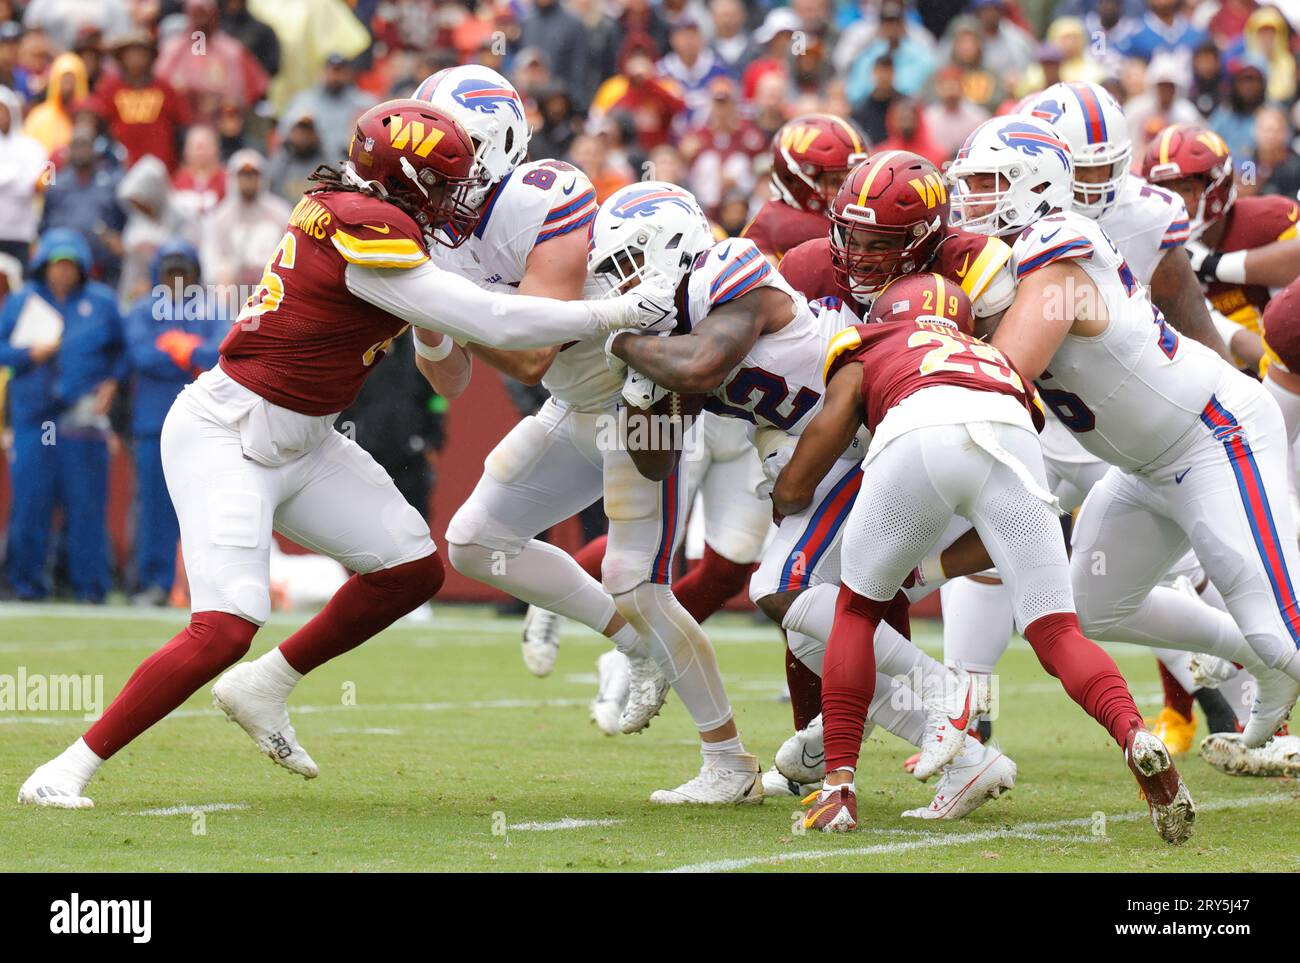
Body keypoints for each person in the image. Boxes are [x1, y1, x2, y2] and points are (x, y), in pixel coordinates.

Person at [18, 97, 676, 809]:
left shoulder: (358, 207)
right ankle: (68, 765)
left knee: (409, 568)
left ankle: (266, 684)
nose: (458, 194)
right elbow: (488, 318)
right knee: (224, 627)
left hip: (305, 435)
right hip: (230, 434)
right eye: (444, 179)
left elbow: (446, 340)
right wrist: (610, 312)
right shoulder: (370, 226)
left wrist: (441, 325)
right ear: (408, 180)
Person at [781, 272, 1191, 842]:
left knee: (854, 611)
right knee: (1057, 631)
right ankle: (1132, 733)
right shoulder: (994, 358)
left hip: (918, 431)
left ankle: (838, 791)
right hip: (1011, 433)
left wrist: (787, 494)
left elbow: (827, 431)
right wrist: (930, 570)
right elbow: (993, 493)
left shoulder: (868, 340)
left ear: (886, 313)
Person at [945, 114, 1300, 753]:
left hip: (1214, 436)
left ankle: (1270, 651)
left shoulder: (1057, 242)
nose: (971, 199)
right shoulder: (1008, 259)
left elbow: (1009, 371)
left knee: (1285, 629)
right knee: (1092, 606)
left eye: (988, 182)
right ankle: (1252, 656)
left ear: (1035, 186)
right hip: (1143, 468)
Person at [0, 228, 123, 603]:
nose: (63, 272)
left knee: (85, 504)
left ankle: (90, 589)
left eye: (70, 265)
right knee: (31, 503)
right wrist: (28, 355)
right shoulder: (23, 300)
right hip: (36, 418)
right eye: (57, 264)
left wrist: (112, 384)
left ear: (82, 267)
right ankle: (26, 586)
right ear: (44, 266)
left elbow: (123, 351)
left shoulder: (101, 302)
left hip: (81, 421)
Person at [123, 240, 226, 605]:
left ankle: (208, 587)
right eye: (171, 272)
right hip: (154, 422)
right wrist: (191, 355)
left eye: (184, 272)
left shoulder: (211, 308)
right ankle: (154, 583)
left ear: (195, 274)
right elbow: (141, 355)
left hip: (204, 425)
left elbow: (222, 352)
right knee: (153, 506)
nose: (178, 279)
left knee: (209, 507)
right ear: (159, 275)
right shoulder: (144, 309)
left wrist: (181, 346)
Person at [742, 113, 869, 265]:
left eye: (854, 179)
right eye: (835, 181)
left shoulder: (774, 215)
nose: (849, 191)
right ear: (796, 181)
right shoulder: (794, 228)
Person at [91, 30, 192, 172]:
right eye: (131, 54)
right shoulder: (109, 88)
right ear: (121, 58)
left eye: (141, 53)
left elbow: (182, 127)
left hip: (161, 168)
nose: (136, 58)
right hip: (120, 168)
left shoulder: (165, 88)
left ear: (150, 57)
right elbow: (100, 125)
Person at [201, 149, 292, 288]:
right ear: (233, 178)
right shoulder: (221, 217)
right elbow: (210, 261)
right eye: (243, 175)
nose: (248, 180)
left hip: (274, 287)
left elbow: (292, 254)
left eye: (253, 174)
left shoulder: (280, 212)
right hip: (234, 290)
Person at [279, 53, 377, 163]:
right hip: (311, 163)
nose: (335, 76)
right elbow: (285, 134)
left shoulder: (364, 103)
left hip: (351, 163)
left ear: (349, 73)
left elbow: (377, 140)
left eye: (340, 71)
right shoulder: (303, 101)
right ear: (322, 72)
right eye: (331, 70)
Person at [0, 83, 48, 262]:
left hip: (22, 231)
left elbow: (47, 179)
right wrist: (17, 176)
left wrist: (11, 181)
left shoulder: (33, 147)